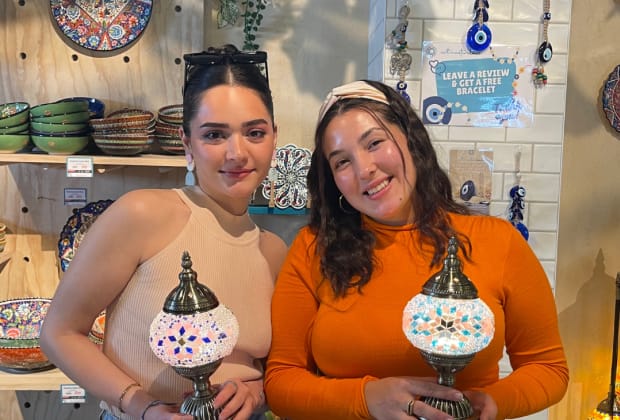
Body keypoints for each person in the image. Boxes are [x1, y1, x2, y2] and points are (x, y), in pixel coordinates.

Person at [264, 80, 569, 420]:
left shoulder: (498, 241)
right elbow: (281, 382)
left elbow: (548, 368)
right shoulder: (313, 249)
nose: (364, 169)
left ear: (411, 139)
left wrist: (490, 402)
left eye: (374, 143)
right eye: (342, 162)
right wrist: (366, 398)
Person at [41, 44, 288, 420]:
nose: (237, 153)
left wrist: (256, 391)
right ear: (188, 145)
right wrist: (142, 405)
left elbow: (276, 367)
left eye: (254, 133)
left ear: (274, 138)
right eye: (214, 135)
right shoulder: (142, 214)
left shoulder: (274, 251)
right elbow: (59, 333)